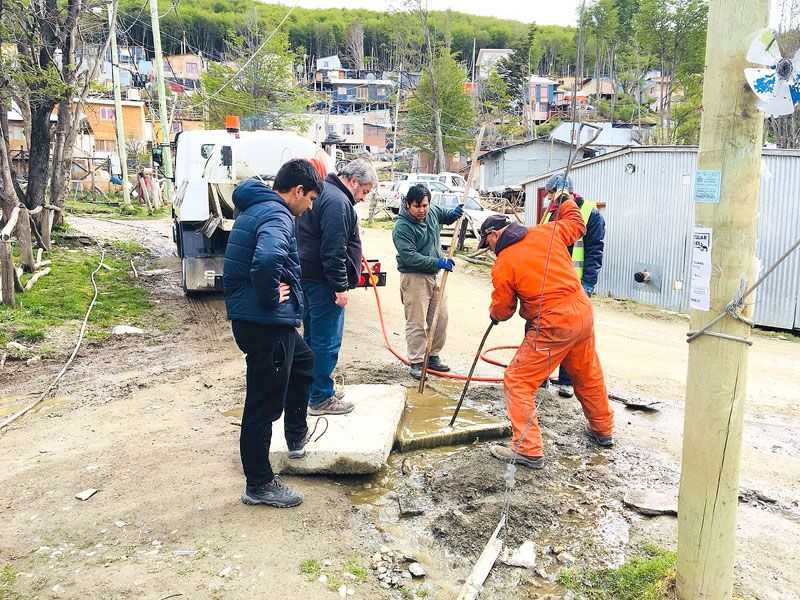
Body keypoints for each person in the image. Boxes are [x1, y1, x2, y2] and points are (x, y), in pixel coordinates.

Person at [478, 196, 614, 470]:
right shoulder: (547, 231)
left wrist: (494, 314)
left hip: (554, 322)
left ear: (494, 234)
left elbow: (504, 310)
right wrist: (565, 202)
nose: (489, 250)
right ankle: (603, 430)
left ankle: (527, 449)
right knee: (587, 374)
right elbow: (577, 223)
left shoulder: (504, 262)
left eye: (487, 243)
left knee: (517, 380)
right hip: (582, 313)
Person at [223, 159, 323, 508]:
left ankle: (296, 435)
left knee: (304, 362)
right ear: (297, 191)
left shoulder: (258, 208)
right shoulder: (278, 214)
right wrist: (267, 298)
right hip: (265, 322)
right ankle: (260, 482)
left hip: (262, 320)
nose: (309, 206)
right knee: (262, 403)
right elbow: (266, 260)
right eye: (309, 198)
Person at [296, 158, 378, 415]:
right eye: (364, 191)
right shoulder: (338, 202)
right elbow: (334, 251)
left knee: (312, 338)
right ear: (353, 181)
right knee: (326, 342)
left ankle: (316, 389)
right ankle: (321, 397)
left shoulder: (324, 192)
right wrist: (340, 287)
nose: (363, 198)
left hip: (309, 277)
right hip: (323, 283)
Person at [540, 173, 606, 399]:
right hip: (549, 282)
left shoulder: (589, 212)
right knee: (542, 327)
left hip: (574, 284)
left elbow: (595, 250)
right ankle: (540, 375)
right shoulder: (550, 213)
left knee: (571, 332)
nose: (548, 198)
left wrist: (589, 282)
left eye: (550, 194)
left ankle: (566, 381)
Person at [392, 184, 463, 379]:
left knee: (440, 318)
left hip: (436, 275)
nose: (422, 210)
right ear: (408, 205)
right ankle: (416, 360)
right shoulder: (402, 227)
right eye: (417, 206)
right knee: (416, 320)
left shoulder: (431, 213)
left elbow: (444, 215)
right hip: (414, 277)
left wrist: (454, 214)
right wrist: (437, 261)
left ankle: (432, 356)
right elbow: (410, 257)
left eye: (425, 205)